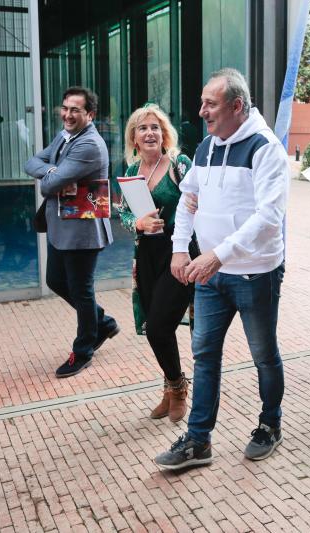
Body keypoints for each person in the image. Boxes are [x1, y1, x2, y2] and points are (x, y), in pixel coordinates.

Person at [154, 68, 289, 470]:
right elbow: (187, 199)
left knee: (263, 355)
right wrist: (180, 249)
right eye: (202, 103)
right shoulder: (205, 149)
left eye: (209, 104)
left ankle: (270, 425)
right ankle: (199, 441)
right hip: (211, 274)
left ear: (236, 106)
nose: (201, 112)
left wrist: (219, 254)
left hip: (255, 273)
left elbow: (269, 217)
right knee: (205, 354)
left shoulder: (266, 149)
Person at [24, 86, 120, 378]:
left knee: (81, 289)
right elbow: (32, 162)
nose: (67, 114)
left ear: (89, 115)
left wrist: (50, 176)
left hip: (82, 230)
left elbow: (48, 185)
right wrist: (54, 172)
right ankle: (101, 322)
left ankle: (83, 350)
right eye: (65, 108)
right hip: (60, 226)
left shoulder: (89, 144)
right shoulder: (66, 135)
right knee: (55, 280)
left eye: (75, 110)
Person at [115, 104, 194, 423]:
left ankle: (178, 388)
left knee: (160, 324)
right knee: (154, 327)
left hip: (178, 253)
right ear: (133, 138)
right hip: (146, 255)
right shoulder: (132, 172)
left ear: (164, 134)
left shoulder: (179, 163)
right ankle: (169, 386)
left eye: (155, 127)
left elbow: (198, 201)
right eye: (142, 128)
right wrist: (138, 224)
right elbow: (123, 213)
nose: (149, 133)